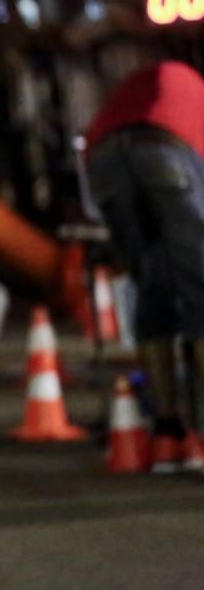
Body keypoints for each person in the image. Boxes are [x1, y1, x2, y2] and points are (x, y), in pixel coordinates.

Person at [85, 61, 204, 472]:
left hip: (104, 161)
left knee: (151, 288)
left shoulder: (137, 89)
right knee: (200, 293)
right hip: (168, 152)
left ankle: (168, 433)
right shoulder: (193, 98)